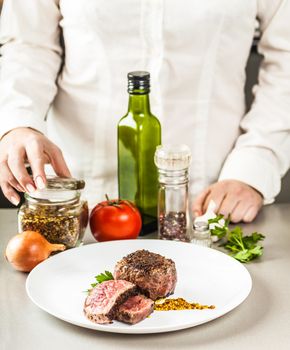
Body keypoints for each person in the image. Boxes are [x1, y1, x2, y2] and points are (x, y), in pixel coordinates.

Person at [0, 0, 290, 223]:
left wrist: (254, 165)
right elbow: (28, 46)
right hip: (81, 199)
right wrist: (18, 123)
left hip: (212, 201)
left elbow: (286, 58)